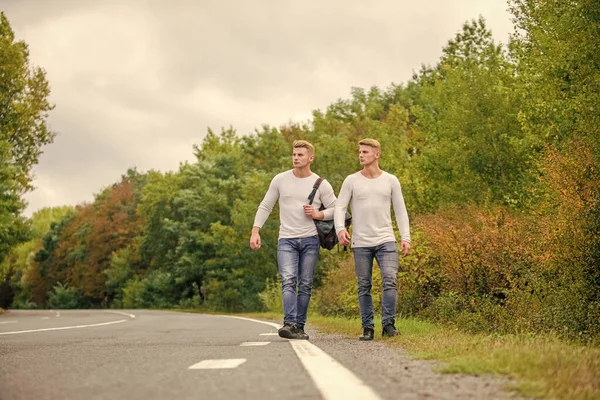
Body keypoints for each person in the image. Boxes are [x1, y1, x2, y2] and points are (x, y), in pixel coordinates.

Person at [250, 140, 336, 340]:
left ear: (310, 158)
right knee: (288, 280)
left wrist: (317, 214)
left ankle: (300, 326)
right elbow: (265, 206)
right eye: (294, 154)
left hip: (310, 240)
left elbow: (337, 209)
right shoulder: (280, 179)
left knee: (305, 284)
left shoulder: (321, 184)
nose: (295, 157)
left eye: (300, 155)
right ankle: (289, 323)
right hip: (286, 239)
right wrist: (255, 231)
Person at [334, 138, 411, 341]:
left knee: (390, 280)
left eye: (365, 152)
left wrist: (406, 237)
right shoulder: (351, 180)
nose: (361, 155)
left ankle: (388, 325)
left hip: (386, 240)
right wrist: (340, 229)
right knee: (364, 285)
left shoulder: (391, 180)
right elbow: (340, 207)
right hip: (361, 242)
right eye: (360, 152)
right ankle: (367, 328)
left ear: (377, 154)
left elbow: (400, 210)